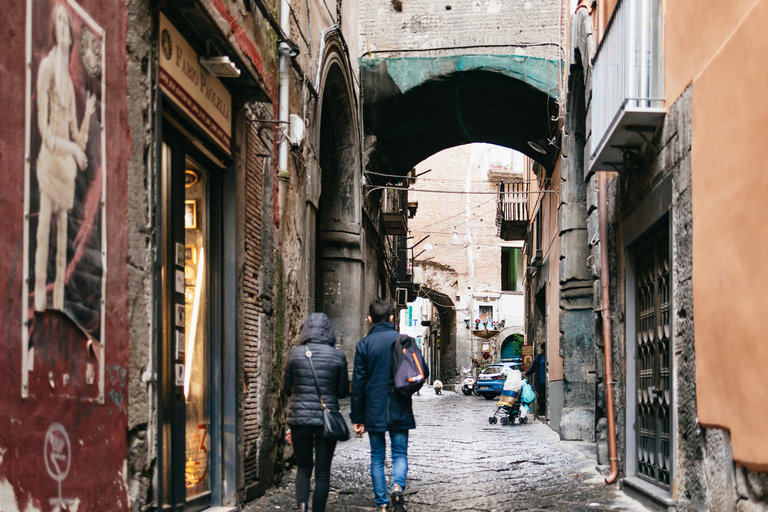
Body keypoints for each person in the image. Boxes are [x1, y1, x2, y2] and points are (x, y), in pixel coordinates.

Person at [34, 3, 97, 312]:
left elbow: (79, 139)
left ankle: (58, 299)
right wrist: (71, 148)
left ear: (70, 35)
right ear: (53, 29)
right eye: (57, 21)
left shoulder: (72, 87)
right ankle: (40, 296)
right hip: (50, 161)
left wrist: (90, 117)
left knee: (61, 244)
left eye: (64, 22)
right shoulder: (46, 67)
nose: (61, 27)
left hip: (66, 169)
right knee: (44, 232)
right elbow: (44, 130)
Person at [352, 300, 426, 512]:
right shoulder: (404, 341)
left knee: (377, 457)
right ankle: (397, 486)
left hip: (374, 409)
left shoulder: (364, 345)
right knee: (400, 453)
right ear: (392, 318)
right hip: (400, 405)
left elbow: (358, 384)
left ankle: (383, 504)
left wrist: (358, 417)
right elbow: (422, 369)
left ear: (370, 319)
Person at [284, 313, 349, 512]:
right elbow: (342, 391)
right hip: (325, 419)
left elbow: (287, 389)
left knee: (303, 467)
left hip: (299, 419)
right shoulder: (338, 356)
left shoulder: (294, 354)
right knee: (322, 472)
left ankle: (302, 507)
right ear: (329, 332)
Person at [525, 342, 547, 417]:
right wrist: (526, 372)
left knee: (545, 396)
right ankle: (542, 411)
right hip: (540, 380)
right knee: (541, 396)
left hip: (546, 380)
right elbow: (533, 367)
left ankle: (543, 411)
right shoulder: (539, 357)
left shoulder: (549, 357)